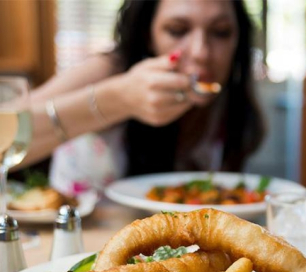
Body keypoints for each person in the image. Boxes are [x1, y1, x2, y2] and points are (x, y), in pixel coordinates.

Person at [23, 0, 265, 194]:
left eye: (221, 32)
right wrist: (118, 100)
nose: (202, 52)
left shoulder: (229, 104)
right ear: (148, 35)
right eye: (177, 30)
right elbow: (7, 130)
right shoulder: (109, 70)